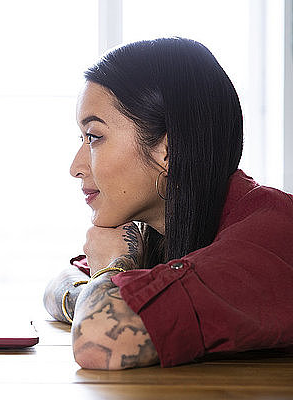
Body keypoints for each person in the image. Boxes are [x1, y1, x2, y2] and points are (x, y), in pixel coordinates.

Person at [43, 37, 293, 370]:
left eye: (94, 137)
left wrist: (115, 266)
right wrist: (97, 290)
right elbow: (56, 286)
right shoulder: (164, 230)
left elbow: (99, 340)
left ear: (167, 150)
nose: (75, 167)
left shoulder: (268, 236)